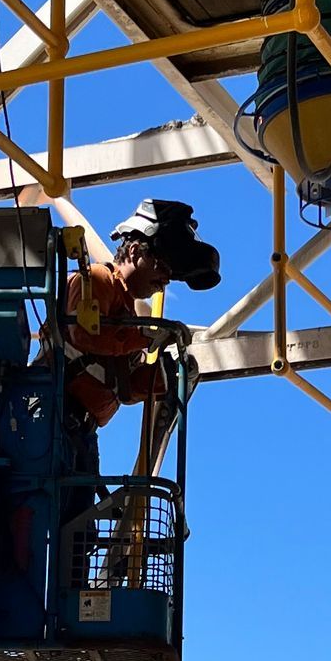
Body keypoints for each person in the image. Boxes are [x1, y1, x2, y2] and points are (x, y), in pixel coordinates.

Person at [62, 198, 220, 467]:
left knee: (72, 507)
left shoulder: (127, 315)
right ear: (135, 252)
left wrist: (169, 377)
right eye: (163, 266)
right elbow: (84, 335)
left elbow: (126, 387)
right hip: (54, 417)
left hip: (79, 429)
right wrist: (145, 337)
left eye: (173, 273)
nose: (166, 279)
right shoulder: (97, 280)